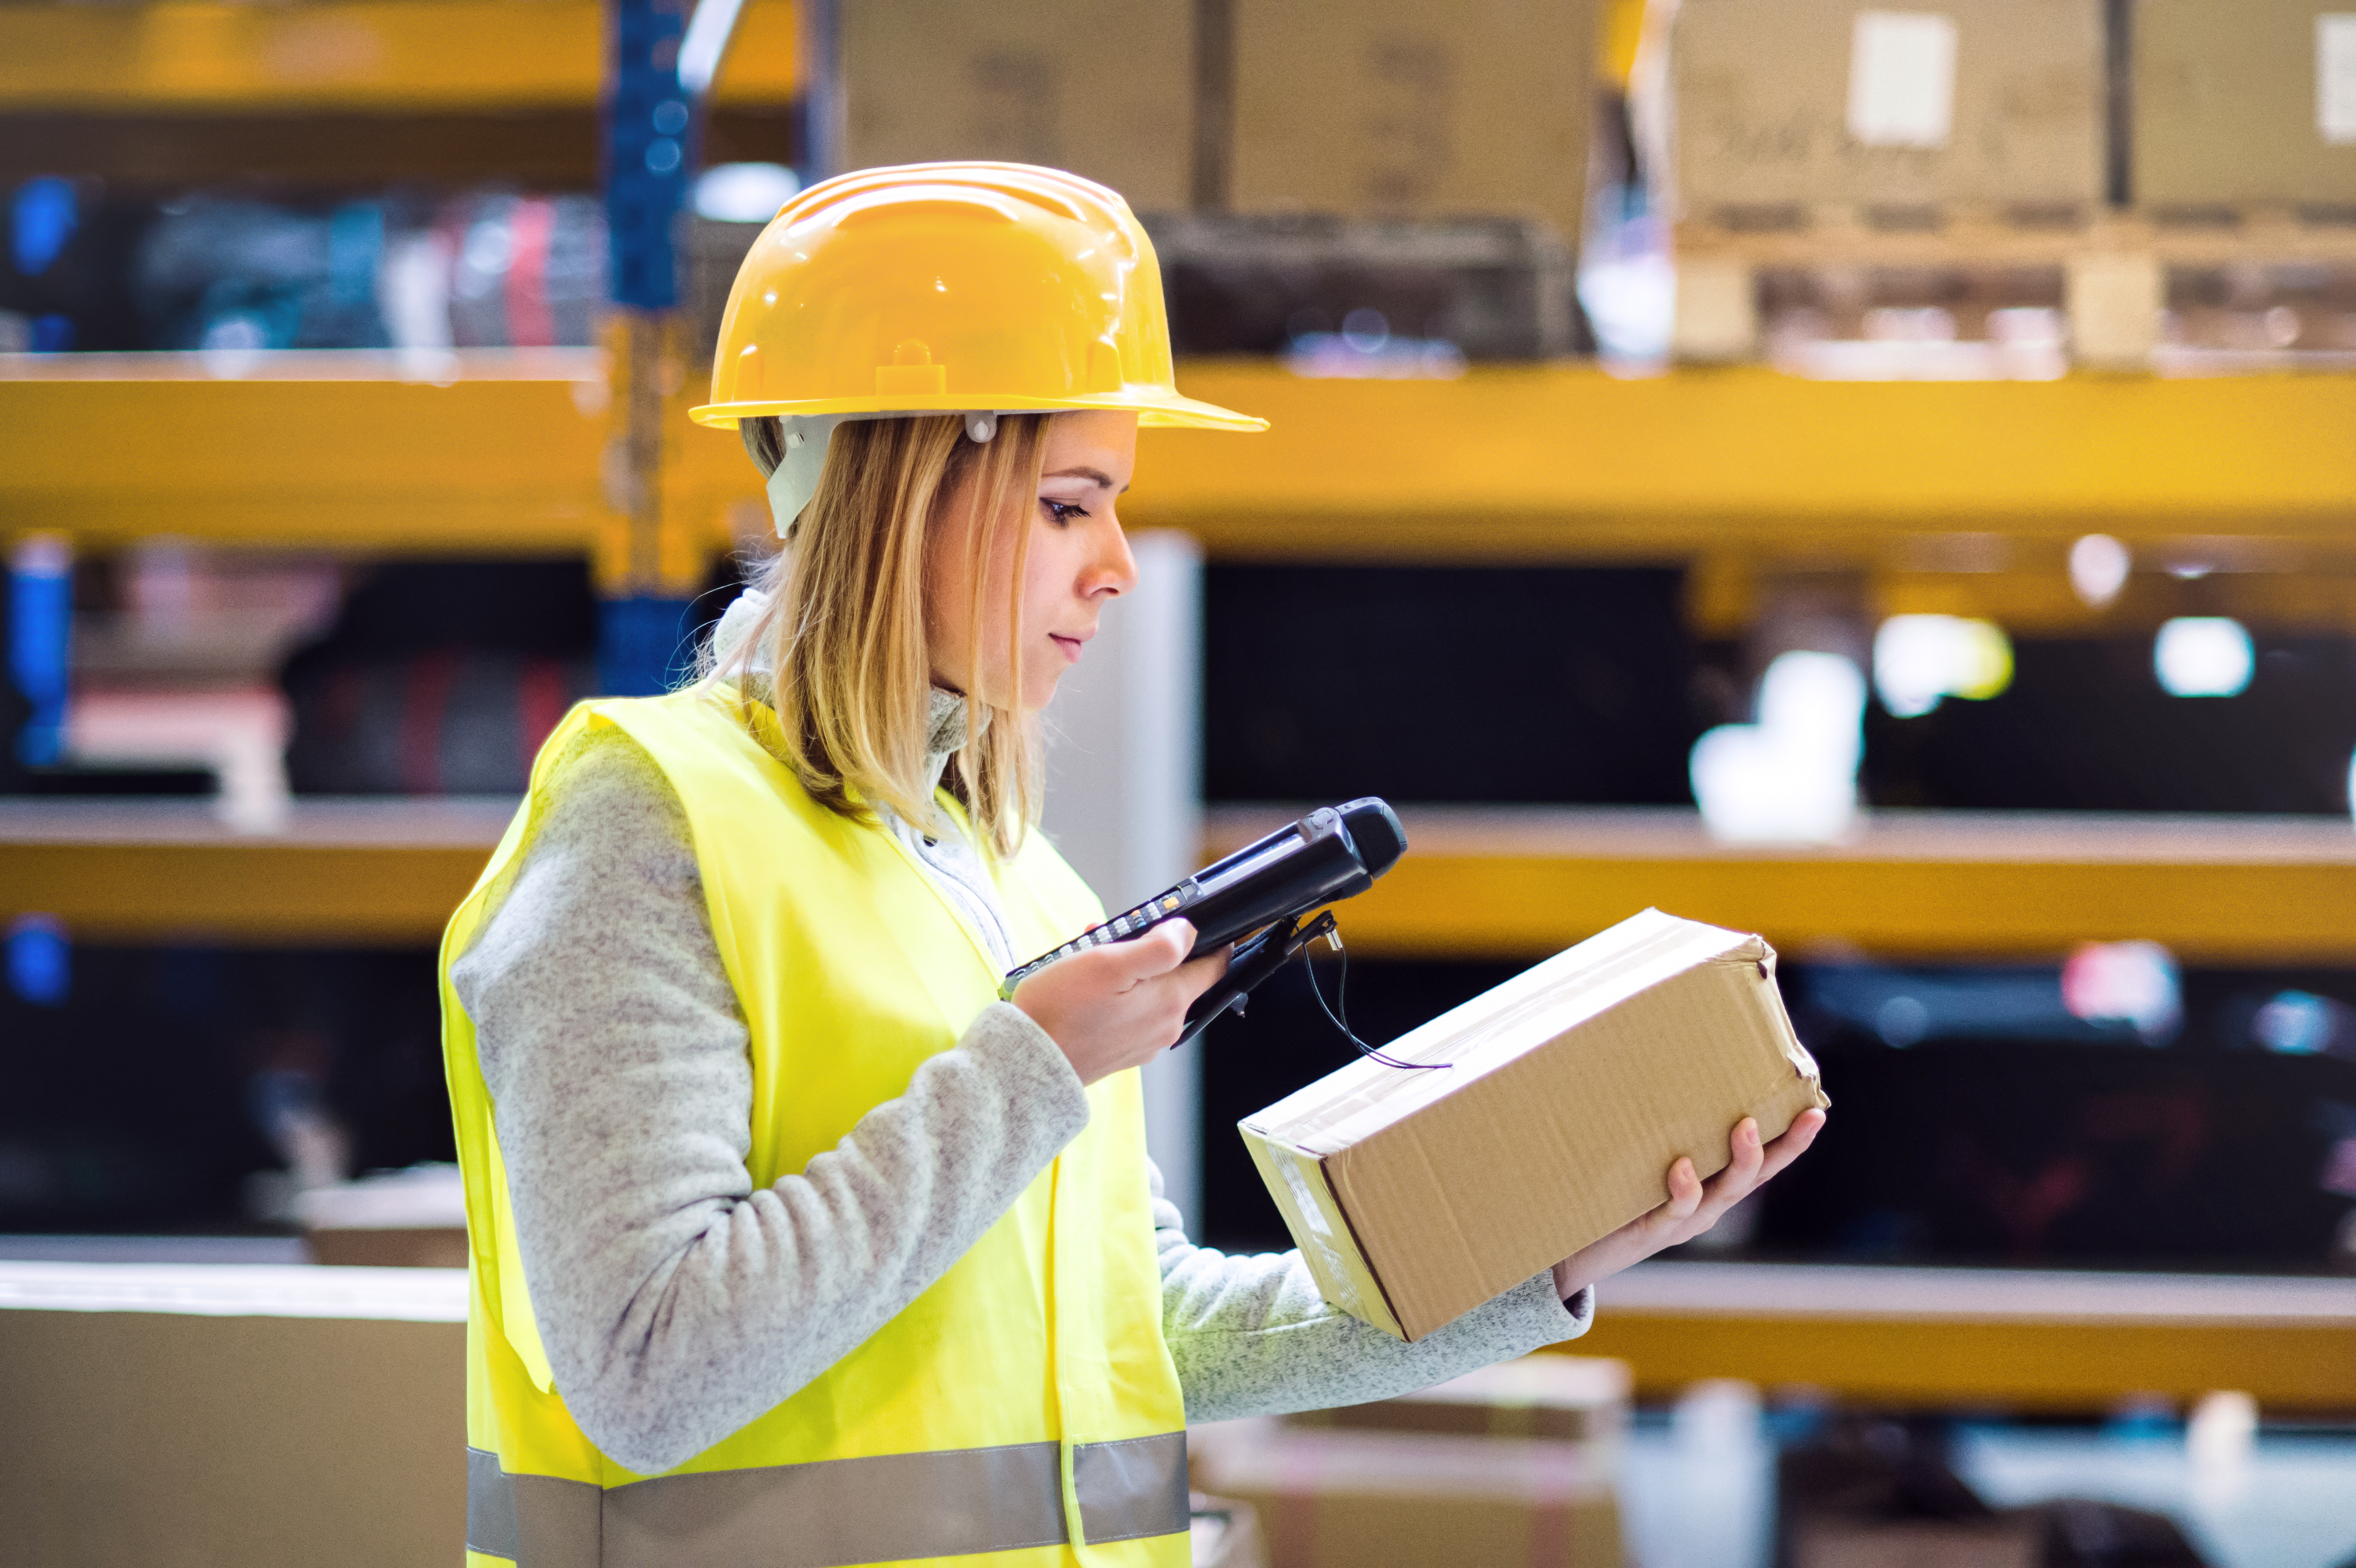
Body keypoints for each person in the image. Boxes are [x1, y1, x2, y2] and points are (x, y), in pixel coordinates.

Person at [438, 162, 1823, 1568]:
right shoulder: (650, 822)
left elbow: (1145, 1330)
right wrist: (1029, 1069)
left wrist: (1541, 1260)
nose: (1117, 565)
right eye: (1066, 505)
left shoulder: (1010, 874)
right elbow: (647, 1369)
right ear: (903, 486)